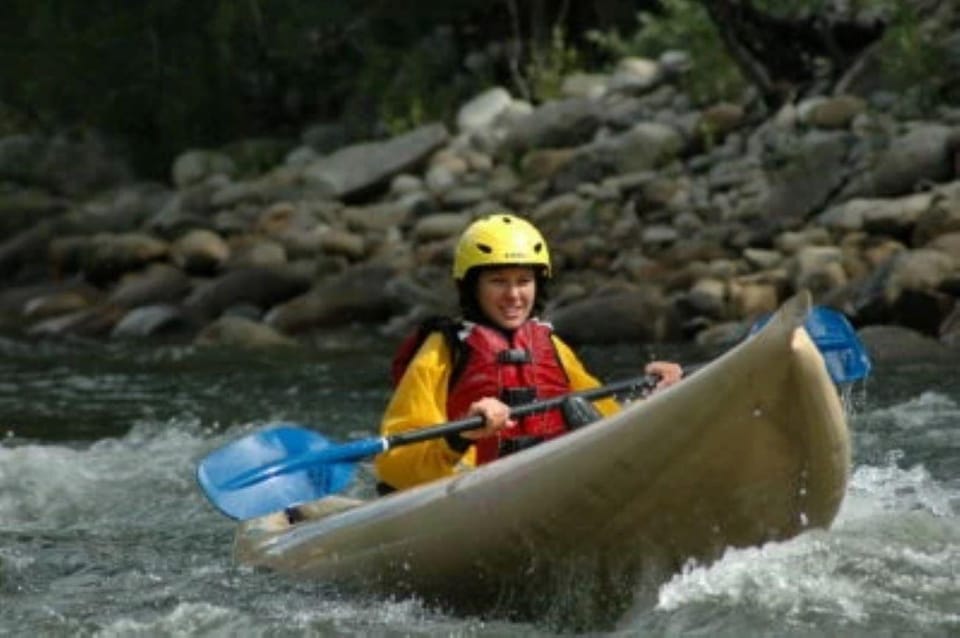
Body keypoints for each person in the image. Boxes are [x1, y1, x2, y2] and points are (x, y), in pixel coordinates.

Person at [374, 213, 682, 493]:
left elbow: (608, 419)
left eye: (524, 281)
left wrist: (654, 392)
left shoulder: (550, 346)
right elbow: (393, 464)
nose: (513, 295)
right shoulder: (442, 351)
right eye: (498, 282)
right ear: (472, 288)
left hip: (549, 479)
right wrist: (462, 435)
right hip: (469, 492)